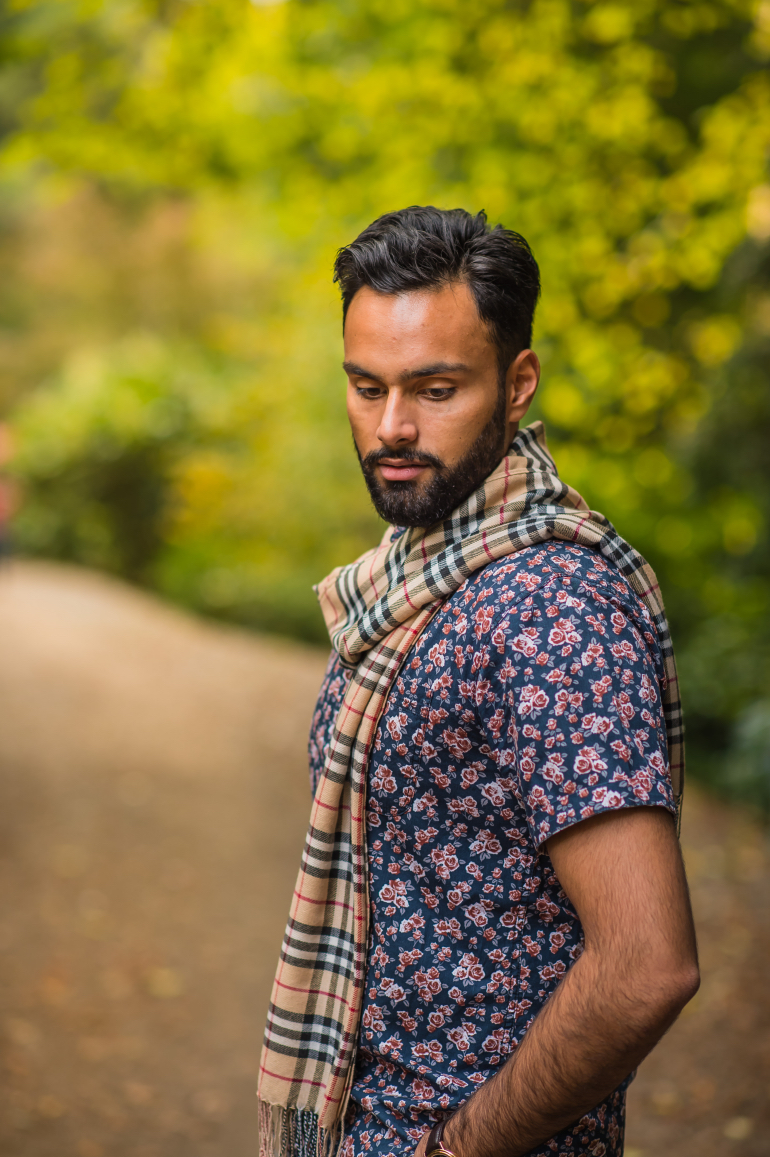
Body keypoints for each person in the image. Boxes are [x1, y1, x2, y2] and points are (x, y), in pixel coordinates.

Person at [258, 207, 699, 1157]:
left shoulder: (550, 607)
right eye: (365, 386)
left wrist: (460, 1149)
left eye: (437, 388)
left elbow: (646, 964)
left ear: (518, 381)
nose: (392, 427)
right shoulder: (411, 578)